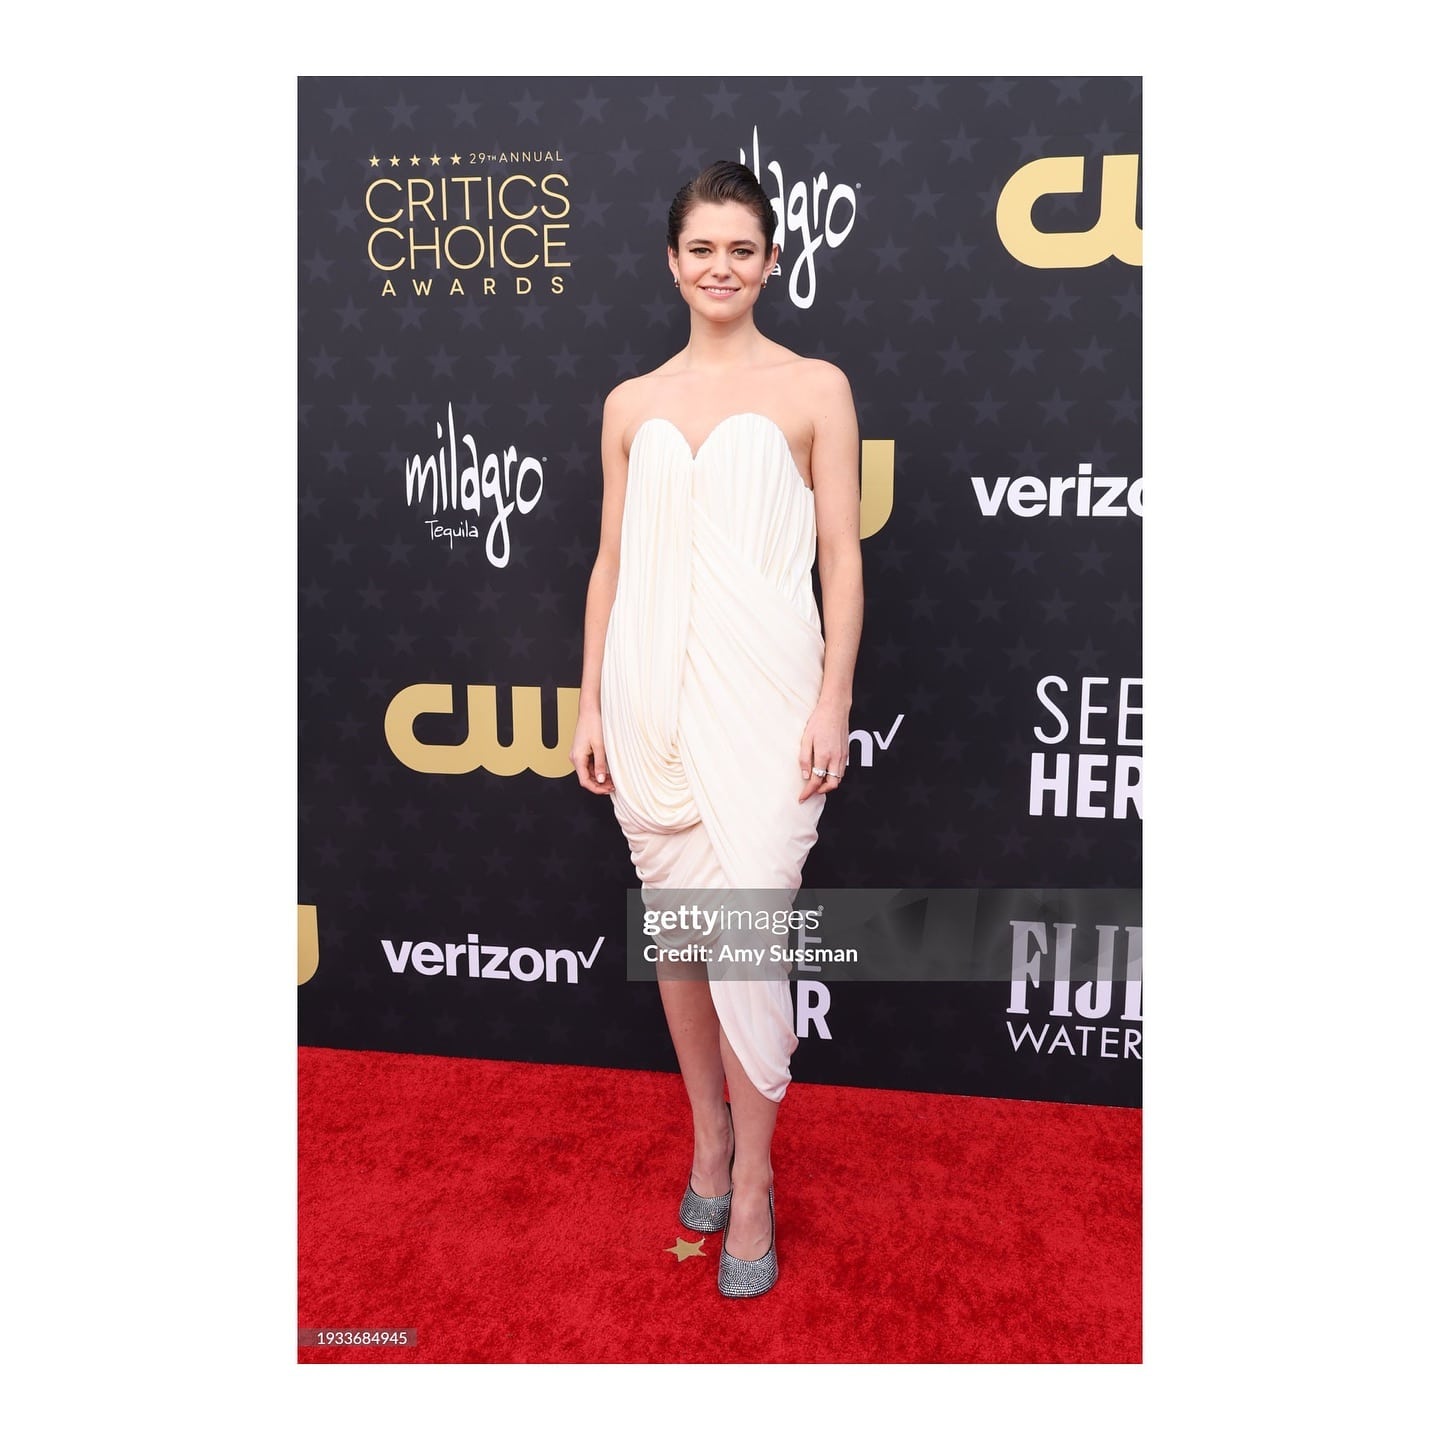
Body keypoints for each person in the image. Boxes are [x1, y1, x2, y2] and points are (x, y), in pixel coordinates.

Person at [570, 160, 863, 1298]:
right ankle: (708, 1139)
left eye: (742, 249)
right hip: (651, 701)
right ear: (672, 262)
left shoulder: (815, 389)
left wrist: (834, 694)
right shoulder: (630, 404)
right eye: (703, 249)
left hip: (768, 701)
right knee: (681, 938)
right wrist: (591, 698)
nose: (721, 268)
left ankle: (755, 1183)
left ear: (772, 261)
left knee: (750, 939)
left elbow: (840, 555)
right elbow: (610, 560)